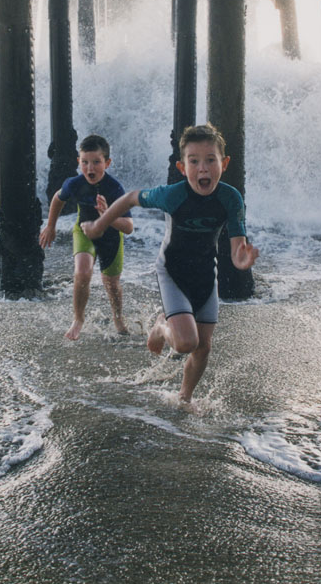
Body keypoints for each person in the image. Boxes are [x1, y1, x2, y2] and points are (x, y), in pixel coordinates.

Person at [81, 123, 259, 407]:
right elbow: (130, 198)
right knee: (186, 343)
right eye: (194, 161)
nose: (203, 169)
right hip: (172, 272)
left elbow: (237, 248)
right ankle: (162, 325)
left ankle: (184, 398)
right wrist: (101, 224)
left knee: (203, 347)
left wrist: (242, 261)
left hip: (204, 273)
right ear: (181, 166)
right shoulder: (172, 195)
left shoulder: (230, 199)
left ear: (223, 163)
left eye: (210, 160)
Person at [39, 135, 134, 340]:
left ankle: (118, 318)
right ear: (78, 162)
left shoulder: (115, 188)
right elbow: (57, 198)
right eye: (85, 162)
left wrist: (107, 215)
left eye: (96, 162)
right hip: (83, 232)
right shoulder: (74, 183)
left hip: (111, 238)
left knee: (111, 283)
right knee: (82, 272)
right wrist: (50, 226)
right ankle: (78, 318)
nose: (90, 168)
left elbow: (128, 228)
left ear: (107, 163)